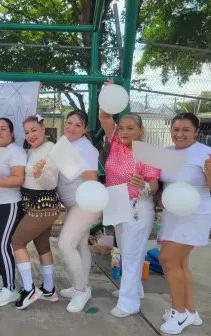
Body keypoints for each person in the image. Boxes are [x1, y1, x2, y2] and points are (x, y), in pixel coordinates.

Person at [99, 80, 160, 318]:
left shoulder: (148, 152)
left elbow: (153, 186)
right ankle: (134, 290)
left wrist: (144, 186)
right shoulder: (115, 141)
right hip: (116, 202)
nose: (123, 131)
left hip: (137, 206)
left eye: (130, 128)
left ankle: (128, 303)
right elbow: (105, 116)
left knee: (133, 255)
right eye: (122, 127)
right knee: (126, 252)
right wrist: (109, 91)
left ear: (140, 131)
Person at [158, 113, 211, 335]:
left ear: (196, 132)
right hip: (172, 215)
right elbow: (164, 182)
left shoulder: (205, 153)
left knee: (167, 259)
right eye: (176, 129)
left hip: (195, 214)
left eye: (186, 130)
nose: (179, 134)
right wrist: (160, 194)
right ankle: (190, 312)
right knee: (180, 264)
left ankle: (178, 313)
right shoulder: (167, 153)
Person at [11, 114, 61, 309]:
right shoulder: (32, 151)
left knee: (18, 242)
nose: (30, 135)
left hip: (42, 206)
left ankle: (30, 289)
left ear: (43, 129)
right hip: (34, 205)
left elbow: (52, 182)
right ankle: (48, 289)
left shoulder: (51, 150)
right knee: (42, 246)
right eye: (26, 132)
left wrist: (40, 175)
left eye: (34, 130)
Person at [57, 110, 101, 313]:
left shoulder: (86, 149)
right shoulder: (65, 143)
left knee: (65, 244)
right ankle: (83, 286)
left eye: (77, 125)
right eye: (69, 123)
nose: (71, 127)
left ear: (84, 129)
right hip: (73, 204)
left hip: (84, 204)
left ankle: (80, 289)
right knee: (81, 245)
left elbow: (91, 180)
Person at [0, 118, 26, 306]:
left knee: (1, 245)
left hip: (10, 205)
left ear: (11, 133)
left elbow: (18, 179)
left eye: (3, 129)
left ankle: (10, 289)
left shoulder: (16, 151)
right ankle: (4, 276)